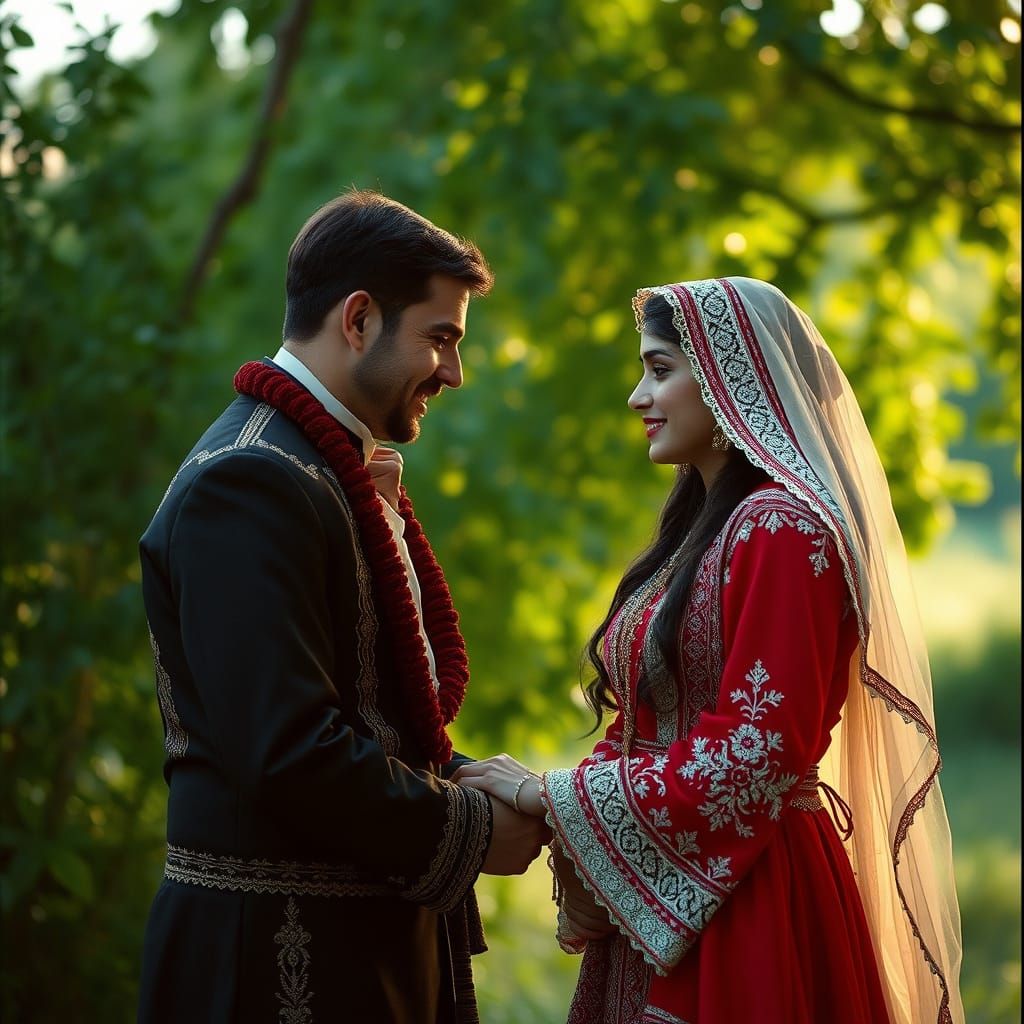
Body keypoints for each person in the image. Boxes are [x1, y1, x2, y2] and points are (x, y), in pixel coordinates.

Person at [455, 277, 964, 1023]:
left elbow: (758, 752)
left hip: (752, 893)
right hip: (679, 887)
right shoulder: (705, 529)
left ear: (732, 382)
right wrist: (590, 853)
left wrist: (551, 796)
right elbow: (649, 719)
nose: (637, 396)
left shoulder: (784, 529)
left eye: (660, 370)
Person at [137, 189, 548, 1024]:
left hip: (354, 947)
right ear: (359, 319)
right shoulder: (247, 481)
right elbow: (286, 749)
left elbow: (366, 716)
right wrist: (468, 830)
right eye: (440, 338)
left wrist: (461, 777)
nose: (454, 372)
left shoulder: (319, 471)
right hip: (271, 962)